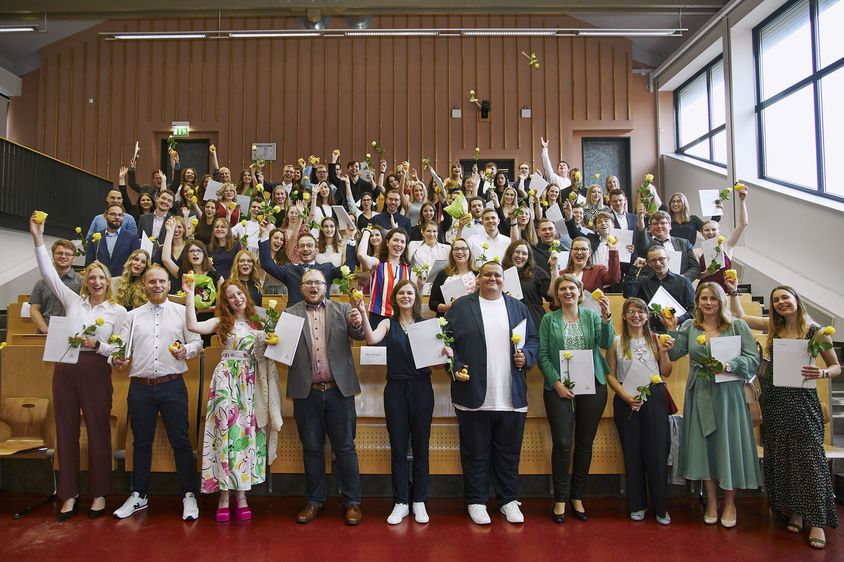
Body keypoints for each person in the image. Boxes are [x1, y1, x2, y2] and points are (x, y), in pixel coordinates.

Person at [727, 280, 839, 549]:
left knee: (810, 460)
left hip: (802, 402)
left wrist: (822, 373)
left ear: (796, 300)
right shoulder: (772, 328)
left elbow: (835, 366)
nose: (780, 303)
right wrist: (732, 291)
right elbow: (740, 317)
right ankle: (795, 512)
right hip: (775, 402)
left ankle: (817, 522)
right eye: (776, 300)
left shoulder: (816, 332)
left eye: (785, 298)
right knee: (782, 457)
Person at [29, 214, 127, 521]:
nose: (96, 282)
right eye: (92, 277)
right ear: (85, 280)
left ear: (107, 282)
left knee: (99, 432)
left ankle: (99, 494)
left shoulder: (118, 311)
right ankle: (68, 494)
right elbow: (49, 274)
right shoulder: (73, 301)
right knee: (66, 431)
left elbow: (119, 348)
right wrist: (37, 238)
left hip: (96, 371)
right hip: (65, 369)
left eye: (101, 278)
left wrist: (96, 346)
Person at [444, 261, 539, 525]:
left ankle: (509, 500)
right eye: (487, 274)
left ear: (504, 280)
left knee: (509, 453)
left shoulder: (518, 307)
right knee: (475, 452)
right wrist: (456, 366)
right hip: (472, 394)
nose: (493, 279)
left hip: (511, 395)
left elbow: (532, 340)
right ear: (478, 278)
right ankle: (476, 500)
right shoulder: (462, 307)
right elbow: (445, 341)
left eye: (497, 275)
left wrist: (527, 357)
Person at [663, 282, 761, 529]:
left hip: (729, 394)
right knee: (705, 447)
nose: (708, 303)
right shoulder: (690, 327)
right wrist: (672, 332)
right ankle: (711, 502)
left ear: (721, 301)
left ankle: (729, 503)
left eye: (713, 298)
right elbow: (675, 355)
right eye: (703, 298)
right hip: (700, 393)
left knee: (728, 445)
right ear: (697, 302)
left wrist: (729, 366)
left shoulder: (737, 326)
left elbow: (752, 358)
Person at [111, 265, 203, 521]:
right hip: (139, 388)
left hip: (173, 385)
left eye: (162, 281)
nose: (157, 285)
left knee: (181, 442)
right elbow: (120, 349)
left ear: (168, 284)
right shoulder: (131, 317)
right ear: (144, 285)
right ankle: (139, 494)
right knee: (141, 443)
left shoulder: (182, 312)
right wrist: (115, 360)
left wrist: (188, 351)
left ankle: (188, 495)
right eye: (152, 282)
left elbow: (196, 342)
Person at [185, 278, 278, 522]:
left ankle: (242, 497)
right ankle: (224, 497)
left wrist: (272, 342)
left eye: (239, 293)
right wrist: (189, 293)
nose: (237, 298)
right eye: (230, 296)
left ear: (246, 294)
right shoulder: (221, 322)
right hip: (227, 380)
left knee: (245, 436)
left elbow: (273, 349)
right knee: (225, 435)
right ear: (225, 302)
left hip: (250, 382)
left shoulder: (258, 321)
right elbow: (193, 326)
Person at [285, 268, 365, 525]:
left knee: (345, 448)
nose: (313, 286)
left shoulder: (343, 310)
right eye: (308, 282)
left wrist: (358, 321)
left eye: (318, 282)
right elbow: (279, 350)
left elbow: (360, 334)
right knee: (311, 449)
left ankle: (352, 501)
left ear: (326, 286)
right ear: (301, 287)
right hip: (306, 393)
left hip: (338, 391)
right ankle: (314, 501)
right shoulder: (289, 314)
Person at [537, 274, 613, 524]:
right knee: (562, 443)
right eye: (563, 289)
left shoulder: (591, 316)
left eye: (572, 288)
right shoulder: (549, 319)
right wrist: (556, 383)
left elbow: (606, 343)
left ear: (580, 292)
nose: (568, 292)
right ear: (557, 294)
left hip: (593, 384)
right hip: (559, 387)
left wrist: (606, 319)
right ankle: (560, 498)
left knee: (584, 443)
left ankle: (577, 496)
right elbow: (544, 355)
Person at [357, 281, 434, 525]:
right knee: (398, 448)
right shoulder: (388, 323)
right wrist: (362, 312)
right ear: (394, 297)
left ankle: (419, 500)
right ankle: (401, 501)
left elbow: (438, 362)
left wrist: (446, 354)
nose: (406, 296)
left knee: (421, 447)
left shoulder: (426, 325)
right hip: (395, 389)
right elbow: (370, 340)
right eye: (401, 292)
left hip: (422, 389)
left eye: (410, 292)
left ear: (416, 297)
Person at [606, 298, 674, 525]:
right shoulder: (616, 342)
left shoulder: (656, 339)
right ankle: (637, 504)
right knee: (632, 453)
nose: (637, 315)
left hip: (654, 399)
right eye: (631, 311)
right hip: (626, 399)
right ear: (624, 316)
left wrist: (664, 352)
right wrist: (625, 397)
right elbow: (610, 375)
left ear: (647, 316)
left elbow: (666, 371)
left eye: (641, 311)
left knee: (656, 453)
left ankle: (661, 508)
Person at [623, 245, 695, 333]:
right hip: (650, 332)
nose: (657, 263)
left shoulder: (683, 281)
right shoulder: (643, 281)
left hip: (678, 331)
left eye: (661, 259)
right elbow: (628, 294)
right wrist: (634, 268)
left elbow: (694, 309)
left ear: (668, 259)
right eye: (653, 260)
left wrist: (678, 320)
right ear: (648, 263)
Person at [258, 233, 341, 307]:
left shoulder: (327, 268)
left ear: (317, 250)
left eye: (309, 245)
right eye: (302, 246)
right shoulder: (289, 270)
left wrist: (350, 239)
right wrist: (264, 234)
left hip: (322, 318)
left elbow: (349, 269)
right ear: (297, 251)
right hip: (296, 318)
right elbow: (267, 264)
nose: (305, 248)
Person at [357, 227, 415, 324]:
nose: (399, 244)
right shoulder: (377, 262)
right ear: (387, 242)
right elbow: (361, 255)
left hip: (400, 317)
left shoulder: (407, 267)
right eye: (395, 240)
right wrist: (367, 232)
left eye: (402, 241)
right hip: (378, 317)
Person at [697, 187, 749, 289]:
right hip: (705, 289)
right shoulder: (697, 252)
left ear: (719, 231)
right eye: (707, 230)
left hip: (725, 287)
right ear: (702, 233)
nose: (710, 232)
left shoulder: (727, 245)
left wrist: (742, 201)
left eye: (713, 229)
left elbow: (743, 224)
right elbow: (698, 276)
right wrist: (707, 273)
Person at [28, 239, 82, 333]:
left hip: (70, 333)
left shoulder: (82, 282)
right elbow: (34, 309)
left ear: (74, 259)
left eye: (68, 254)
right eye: (59, 253)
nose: (63, 256)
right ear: (53, 256)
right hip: (44, 333)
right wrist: (45, 330)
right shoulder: (41, 283)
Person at [635, 210, 700, 282]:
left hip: (679, 286)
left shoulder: (684, 243)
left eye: (663, 223)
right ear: (650, 228)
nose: (659, 226)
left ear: (670, 226)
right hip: (652, 287)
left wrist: (683, 278)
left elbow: (695, 268)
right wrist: (640, 220)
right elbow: (641, 234)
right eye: (655, 224)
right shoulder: (644, 243)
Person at [501, 240, 551, 329]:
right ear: (510, 253)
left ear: (528, 257)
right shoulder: (500, 272)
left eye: (524, 253)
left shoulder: (536, 272)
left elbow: (550, 296)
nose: (520, 256)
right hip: (507, 316)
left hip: (533, 318)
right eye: (517, 252)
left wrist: (554, 269)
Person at [85, 204, 141, 277]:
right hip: (100, 282)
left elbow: (134, 264)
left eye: (120, 215)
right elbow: (89, 263)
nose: (117, 217)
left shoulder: (132, 238)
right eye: (113, 214)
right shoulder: (94, 238)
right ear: (105, 216)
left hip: (122, 282)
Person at [553, 236, 621, 293]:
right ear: (571, 252)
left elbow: (614, 278)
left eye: (583, 249)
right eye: (576, 249)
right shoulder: (562, 274)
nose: (579, 252)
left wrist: (613, 250)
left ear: (589, 253)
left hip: (592, 308)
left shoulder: (597, 271)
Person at [428, 238, 477, 316]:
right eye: (456, 249)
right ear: (451, 253)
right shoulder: (443, 274)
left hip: (472, 318)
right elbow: (432, 302)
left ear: (470, 251)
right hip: (448, 319)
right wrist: (445, 307)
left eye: (463, 248)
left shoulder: (478, 274)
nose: (460, 252)